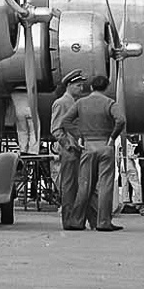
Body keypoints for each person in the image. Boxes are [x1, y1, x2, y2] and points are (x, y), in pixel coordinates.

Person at [59, 74, 127, 231]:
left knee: (84, 184)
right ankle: (103, 222)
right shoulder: (110, 103)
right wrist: (112, 137)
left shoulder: (81, 103)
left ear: (91, 87)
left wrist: (79, 135)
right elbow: (121, 120)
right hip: (105, 145)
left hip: (88, 146)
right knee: (105, 185)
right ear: (107, 88)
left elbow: (65, 121)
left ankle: (77, 221)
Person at [50, 71, 92, 230]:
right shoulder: (61, 103)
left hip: (78, 149)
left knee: (80, 186)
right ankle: (69, 221)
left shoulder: (75, 102)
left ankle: (78, 219)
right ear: (69, 85)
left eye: (82, 85)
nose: (81, 88)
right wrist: (68, 145)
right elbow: (56, 129)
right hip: (70, 150)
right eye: (78, 85)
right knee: (69, 186)